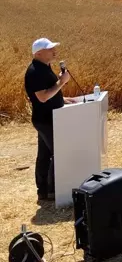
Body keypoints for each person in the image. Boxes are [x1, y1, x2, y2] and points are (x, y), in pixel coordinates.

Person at [24, 38, 76, 202]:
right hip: (46, 120)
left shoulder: (44, 67)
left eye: (54, 47)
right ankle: (53, 191)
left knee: (45, 154)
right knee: (59, 153)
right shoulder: (35, 71)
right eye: (50, 49)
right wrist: (61, 82)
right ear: (38, 53)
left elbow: (49, 92)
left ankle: (44, 192)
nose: (54, 51)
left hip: (49, 117)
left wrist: (62, 98)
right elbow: (43, 97)